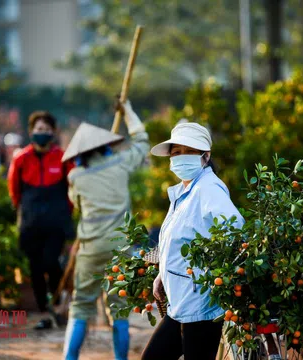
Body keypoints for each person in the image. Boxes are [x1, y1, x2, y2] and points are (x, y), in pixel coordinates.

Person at [141, 122, 244, 360]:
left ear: (205, 156)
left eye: (189, 151)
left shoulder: (208, 189)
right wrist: (162, 275)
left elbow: (234, 227)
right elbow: (178, 241)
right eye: (176, 152)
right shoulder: (183, 192)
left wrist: (211, 271)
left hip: (201, 306)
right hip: (181, 303)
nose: (181, 157)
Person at [62, 100, 149, 360]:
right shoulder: (120, 163)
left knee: (80, 307)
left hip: (90, 249)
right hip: (120, 249)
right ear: (104, 146)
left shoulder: (75, 177)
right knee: (119, 309)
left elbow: (75, 204)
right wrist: (129, 112)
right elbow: (142, 141)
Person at [8, 111, 75, 329]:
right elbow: (14, 191)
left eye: (46, 130)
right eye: (38, 130)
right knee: (35, 269)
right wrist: (25, 210)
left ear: (53, 132)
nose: (42, 133)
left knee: (50, 261)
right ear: (31, 132)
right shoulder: (21, 159)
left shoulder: (63, 158)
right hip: (30, 223)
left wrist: (66, 213)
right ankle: (44, 313)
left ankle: (56, 302)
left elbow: (73, 189)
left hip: (56, 223)